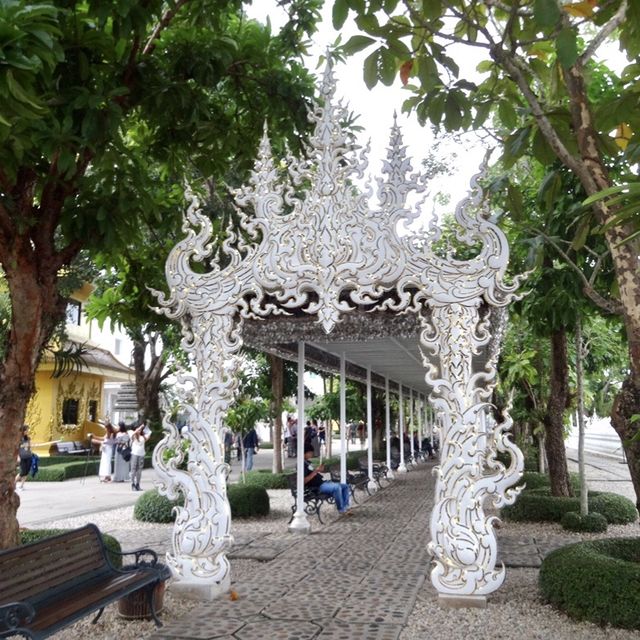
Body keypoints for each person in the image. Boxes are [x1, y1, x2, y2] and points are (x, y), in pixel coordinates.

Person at [303, 444, 351, 515]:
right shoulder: (302, 465)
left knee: (346, 486)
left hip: (323, 482)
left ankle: (346, 506)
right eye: (310, 453)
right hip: (317, 487)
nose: (312, 454)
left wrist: (319, 470)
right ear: (304, 453)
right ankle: (341, 509)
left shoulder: (307, 463)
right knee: (337, 487)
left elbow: (313, 473)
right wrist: (316, 471)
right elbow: (304, 481)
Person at [128, 420, 151, 491]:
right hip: (134, 454)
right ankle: (132, 484)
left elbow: (149, 433)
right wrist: (140, 427)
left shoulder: (143, 437)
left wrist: (147, 426)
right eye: (137, 428)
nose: (139, 430)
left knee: (139, 470)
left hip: (141, 454)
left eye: (140, 429)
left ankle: (137, 484)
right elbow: (133, 433)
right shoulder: (131, 433)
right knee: (133, 469)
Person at [15, 425, 32, 490]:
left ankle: (21, 486)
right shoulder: (18, 439)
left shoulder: (28, 438)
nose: (27, 431)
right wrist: (18, 457)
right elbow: (16, 449)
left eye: (28, 430)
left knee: (26, 472)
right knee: (23, 471)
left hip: (29, 456)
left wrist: (30, 446)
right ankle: (13, 483)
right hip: (22, 457)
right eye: (26, 430)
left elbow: (29, 447)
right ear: (23, 431)